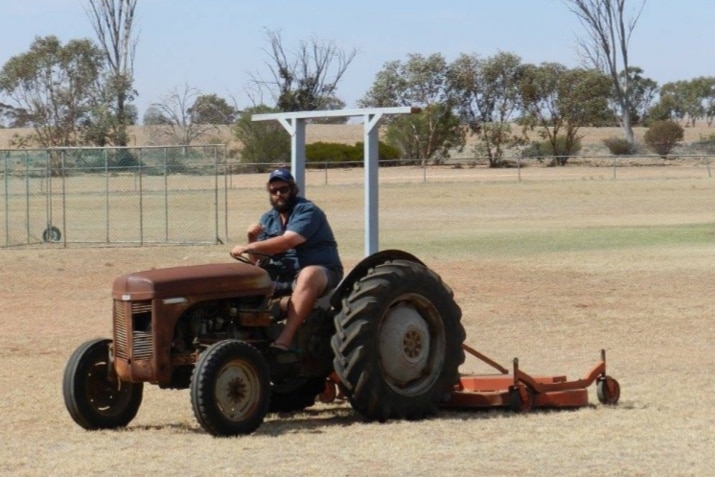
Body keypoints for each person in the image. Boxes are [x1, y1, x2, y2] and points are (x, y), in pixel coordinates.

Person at [231, 168, 343, 354]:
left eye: (283, 189)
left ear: (292, 189)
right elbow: (258, 261)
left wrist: (251, 247)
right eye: (273, 191)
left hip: (322, 273)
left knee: (309, 275)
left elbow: (287, 242)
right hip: (282, 275)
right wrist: (251, 238)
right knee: (245, 276)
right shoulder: (268, 218)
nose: (278, 194)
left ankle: (285, 338)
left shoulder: (307, 211)